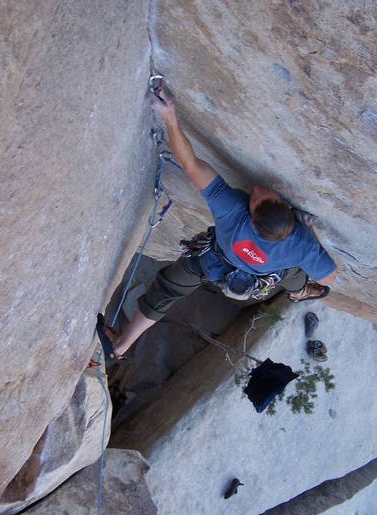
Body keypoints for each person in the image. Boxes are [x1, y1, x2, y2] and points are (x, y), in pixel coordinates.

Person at [109, 89, 337, 358]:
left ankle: (122, 345)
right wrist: (309, 233)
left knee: (167, 289)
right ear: (288, 209)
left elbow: (190, 165)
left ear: (252, 220)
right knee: (292, 273)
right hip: (260, 276)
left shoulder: (232, 210)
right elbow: (330, 278)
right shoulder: (301, 244)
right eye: (262, 196)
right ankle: (122, 345)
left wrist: (170, 117)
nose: (257, 191)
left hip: (211, 261)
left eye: (257, 200)